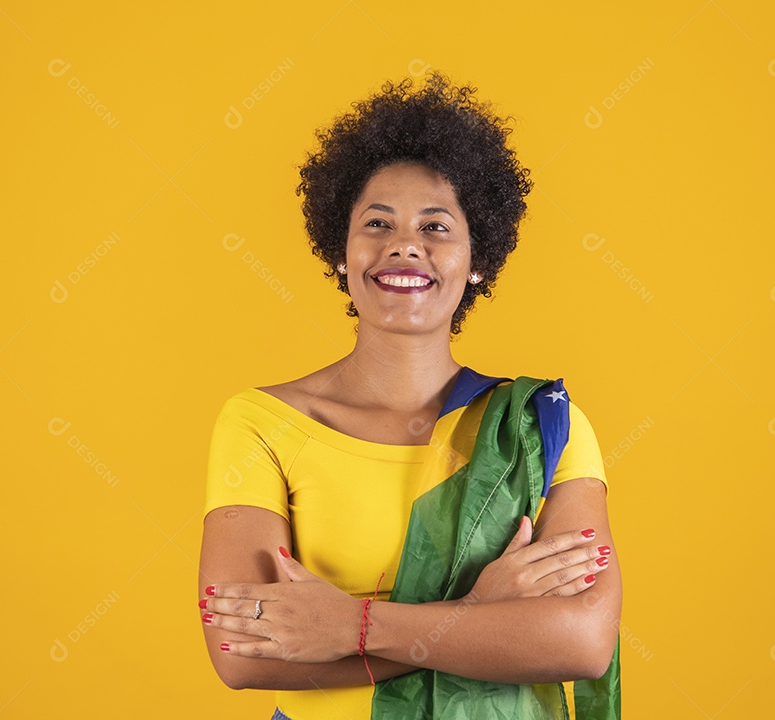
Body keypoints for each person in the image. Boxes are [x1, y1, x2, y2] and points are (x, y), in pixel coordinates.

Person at [198, 72, 622, 719]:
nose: (404, 244)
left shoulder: (539, 427)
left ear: (477, 259)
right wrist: (480, 613)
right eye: (377, 222)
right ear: (340, 250)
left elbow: (584, 641)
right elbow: (243, 652)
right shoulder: (263, 423)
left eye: (436, 226)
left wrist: (352, 627)